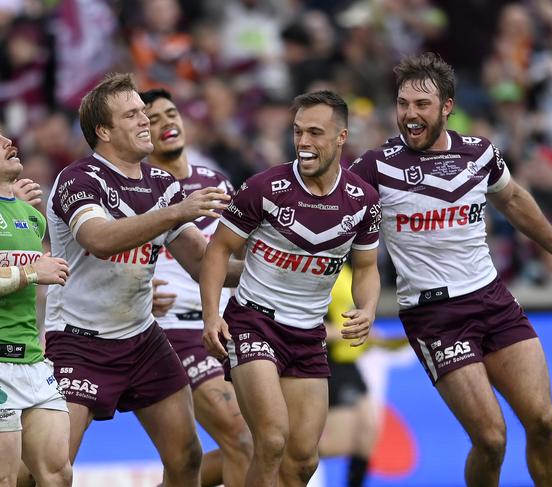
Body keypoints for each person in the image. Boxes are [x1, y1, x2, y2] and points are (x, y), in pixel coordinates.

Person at [350, 52, 552, 486]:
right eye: (403, 103)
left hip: (493, 299)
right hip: (434, 317)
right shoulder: (375, 167)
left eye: (421, 105)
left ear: (446, 106)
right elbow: (331, 215)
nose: (409, 113)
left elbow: (515, 200)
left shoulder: (479, 153)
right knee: (491, 438)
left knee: (543, 419)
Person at [42, 73, 232, 487]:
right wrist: (176, 212)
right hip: (78, 341)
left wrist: (279, 258)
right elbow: (100, 239)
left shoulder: (161, 184)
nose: (145, 121)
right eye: (133, 115)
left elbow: (203, 265)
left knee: (186, 459)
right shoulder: (79, 179)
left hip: (143, 338)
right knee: (50, 473)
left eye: (143, 113)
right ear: (104, 131)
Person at [200, 90, 383, 487]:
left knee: (302, 461)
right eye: (298, 131)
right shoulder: (264, 187)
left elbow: (367, 267)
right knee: (271, 439)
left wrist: (367, 308)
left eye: (315, 132)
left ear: (341, 137)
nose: (303, 142)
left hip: (308, 333)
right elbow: (217, 251)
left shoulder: (363, 201)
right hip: (253, 323)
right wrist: (212, 315)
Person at [141, 87, 253, 487]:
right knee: (241, 438)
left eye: (171, 113)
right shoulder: (136, 192)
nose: (166, 123)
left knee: (260, 444)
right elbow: (99, 252)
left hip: (227, 327)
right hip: (175, 331)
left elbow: (240, 256)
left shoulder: (218, 183)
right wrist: (131, 289)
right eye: (151, 120)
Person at [0, 131, 72, 487]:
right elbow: (35, 274)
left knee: (58, 474)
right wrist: (31, 272)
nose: (7, 141)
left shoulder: (32, 218)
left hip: (31, 362)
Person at [318, 264, 378, 487]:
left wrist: (368, 335)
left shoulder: (348, 266)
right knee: (338, 442)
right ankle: (274, 459)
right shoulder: (318, 266)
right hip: (329, 362)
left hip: (349, 363)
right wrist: (343, 332)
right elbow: (304, 321)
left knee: (367, 434)